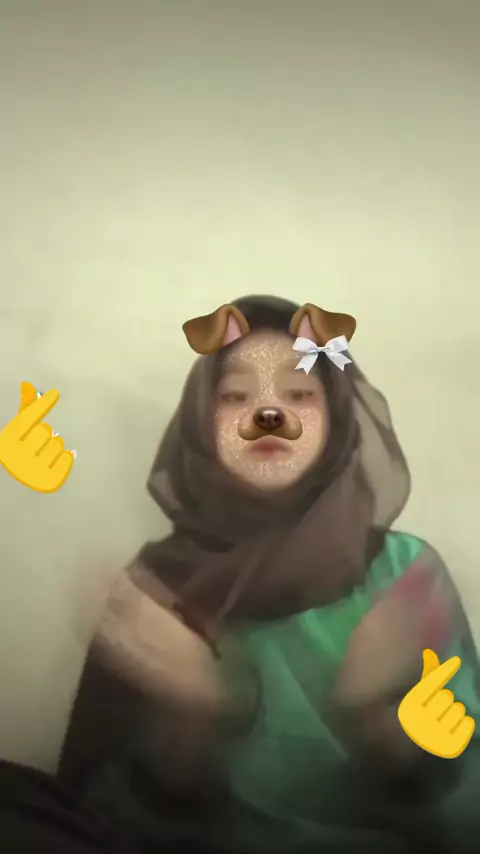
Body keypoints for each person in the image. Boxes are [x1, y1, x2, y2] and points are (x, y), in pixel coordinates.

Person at [58, 295, 480, 854]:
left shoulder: (404, 576)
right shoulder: (155, 592)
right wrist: (190, 722)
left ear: (337, 415)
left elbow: (469, 812)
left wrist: (382, 726)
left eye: (300, 393)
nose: (268, 414)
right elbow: (92, 822)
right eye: (235, 395)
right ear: (201, 420)